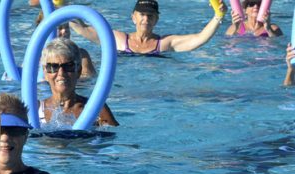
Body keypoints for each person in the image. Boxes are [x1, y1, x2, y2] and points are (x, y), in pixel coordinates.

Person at [70, 0, 224, 56]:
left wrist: (218, 16)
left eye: (150, 16)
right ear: (133, 17)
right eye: (142, 14)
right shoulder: (119, 39)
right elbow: (84, 29)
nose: (145, 19)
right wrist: (61, 7)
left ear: (156, 19)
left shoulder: (165, 43)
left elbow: (200, 38)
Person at [39, 38, 118, 127]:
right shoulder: (35, 110)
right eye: (53, 67)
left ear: (79, 71)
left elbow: (117, 139)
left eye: (68, 66)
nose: (61, 73)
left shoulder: (96, 108)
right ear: (45, 72)